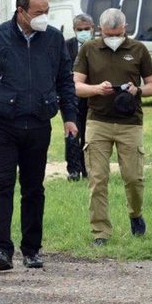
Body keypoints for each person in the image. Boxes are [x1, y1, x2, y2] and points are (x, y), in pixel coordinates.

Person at [0, 0, 78, 271]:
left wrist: (70, 116)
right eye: (39, 12)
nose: (44, 17)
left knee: (33, 188)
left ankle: (32, 250)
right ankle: (2, 249)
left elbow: (65, 80)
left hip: (39, 124)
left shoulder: (53, 40)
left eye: (47, 12)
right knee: (2, 185)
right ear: (21, 11)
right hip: (3, 124)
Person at [73, 8, 152, 246]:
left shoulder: (138, 49)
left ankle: (135, 214)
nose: (113, 38)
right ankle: (100, 232)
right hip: (97, 121)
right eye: (109, 34)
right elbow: (76, 86)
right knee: (98, 178)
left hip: (129, 122)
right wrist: (97, 89)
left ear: (125, 29)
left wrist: (137, 90)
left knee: (133, 178)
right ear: (99, 30)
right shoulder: (88, 49)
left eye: (118, 33)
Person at [65, 13, 95, 181]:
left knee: (88, 134)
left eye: (86, 29)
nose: (83, 32)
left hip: (91, 96)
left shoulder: (98, 46)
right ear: (74, 30)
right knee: (72, 134)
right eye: (79, 30)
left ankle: (87, 168)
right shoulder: (66, 46)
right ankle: (73, 170)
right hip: (71, 97)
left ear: (93, 28)